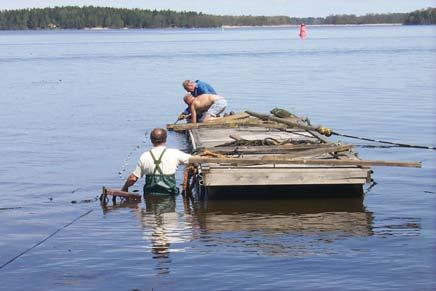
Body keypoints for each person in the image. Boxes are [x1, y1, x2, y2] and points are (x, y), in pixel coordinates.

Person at [121, 128, 191, 196]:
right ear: (165, 139)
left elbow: (133, 178)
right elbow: (193, 158)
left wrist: (124, 187)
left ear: (151, 140)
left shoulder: (145, 156)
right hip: (169, 196)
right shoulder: (175, 153)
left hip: (150, 197)